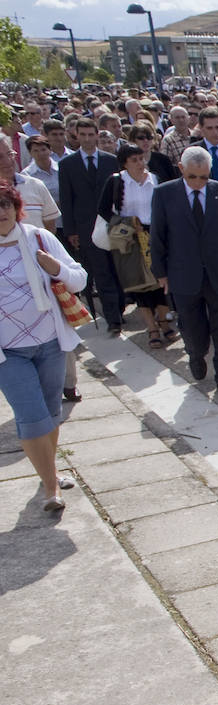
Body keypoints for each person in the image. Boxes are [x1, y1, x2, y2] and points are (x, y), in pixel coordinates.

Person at [0, 183, 86, 511]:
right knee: (32, 417)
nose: (2, 211)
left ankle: (48, 471)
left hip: (50, 343)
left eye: (7, 204)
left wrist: (56, 269)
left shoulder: (39, 238)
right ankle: (52, 489)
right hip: (8, 352)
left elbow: (79, 280)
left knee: (50, 414)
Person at [150, 147, 218, 397]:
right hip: (183, 273)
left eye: (203, 177)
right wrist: (161, 272)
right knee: (193, 328)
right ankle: (196, 354)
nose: (198, 183)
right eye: (192, 177)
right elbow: (158, 236)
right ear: (181, 170)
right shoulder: (164, 194)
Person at [97, 144, 172, 349]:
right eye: (134, 160)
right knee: (140, 286)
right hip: (130, 239)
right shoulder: (115, 181)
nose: (140, 163)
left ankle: (164, 321)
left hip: (155, 236)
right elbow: (103, 210)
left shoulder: (155, 179)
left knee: (160, 281)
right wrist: (125, 222)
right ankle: (152, 328)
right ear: (124, 164)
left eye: (141, 158)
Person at [58, 118, 122, 334]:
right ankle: (113, 318)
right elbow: (66, 199)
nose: (86, 139)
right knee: (100, 272)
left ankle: (119, 308)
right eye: (82, 134)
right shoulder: (68, 164)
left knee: (117, 269)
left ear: (97, 135)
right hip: (85, 227)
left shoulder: (110, 161)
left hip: (111, 224)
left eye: (90, 134)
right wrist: (71, 231)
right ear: (76, 135)